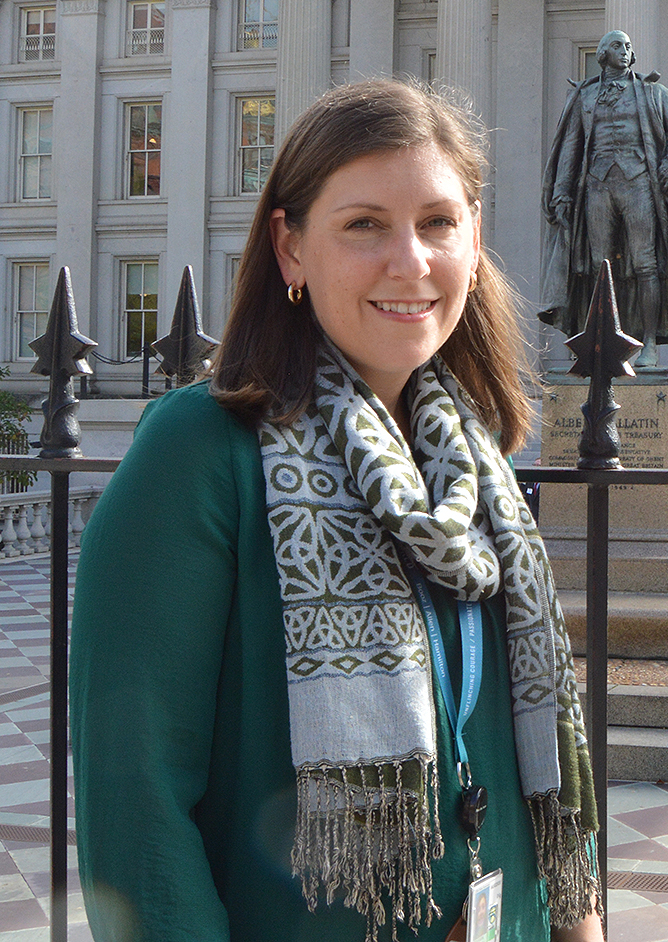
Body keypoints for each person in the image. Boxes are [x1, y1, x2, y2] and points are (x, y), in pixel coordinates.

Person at [72, 80, 604, 942]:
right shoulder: (202, 453)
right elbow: (135, 811)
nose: (411, 259)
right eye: (364, 224)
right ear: (289, 249)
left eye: (438, 220)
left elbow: (534, 759)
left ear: (473, 233)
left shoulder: (477, 460)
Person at [538, 30, 668, 367]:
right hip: (597, 188)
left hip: (639, 187)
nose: (625, 50)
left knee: (646, 265)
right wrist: (561, 191)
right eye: (618, 45)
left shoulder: (651, 93)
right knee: (600, 268)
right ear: (602, 53)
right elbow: (571, 147)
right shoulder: (584, 98)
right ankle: (603, 339)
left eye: (629, 46)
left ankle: (648, 343)